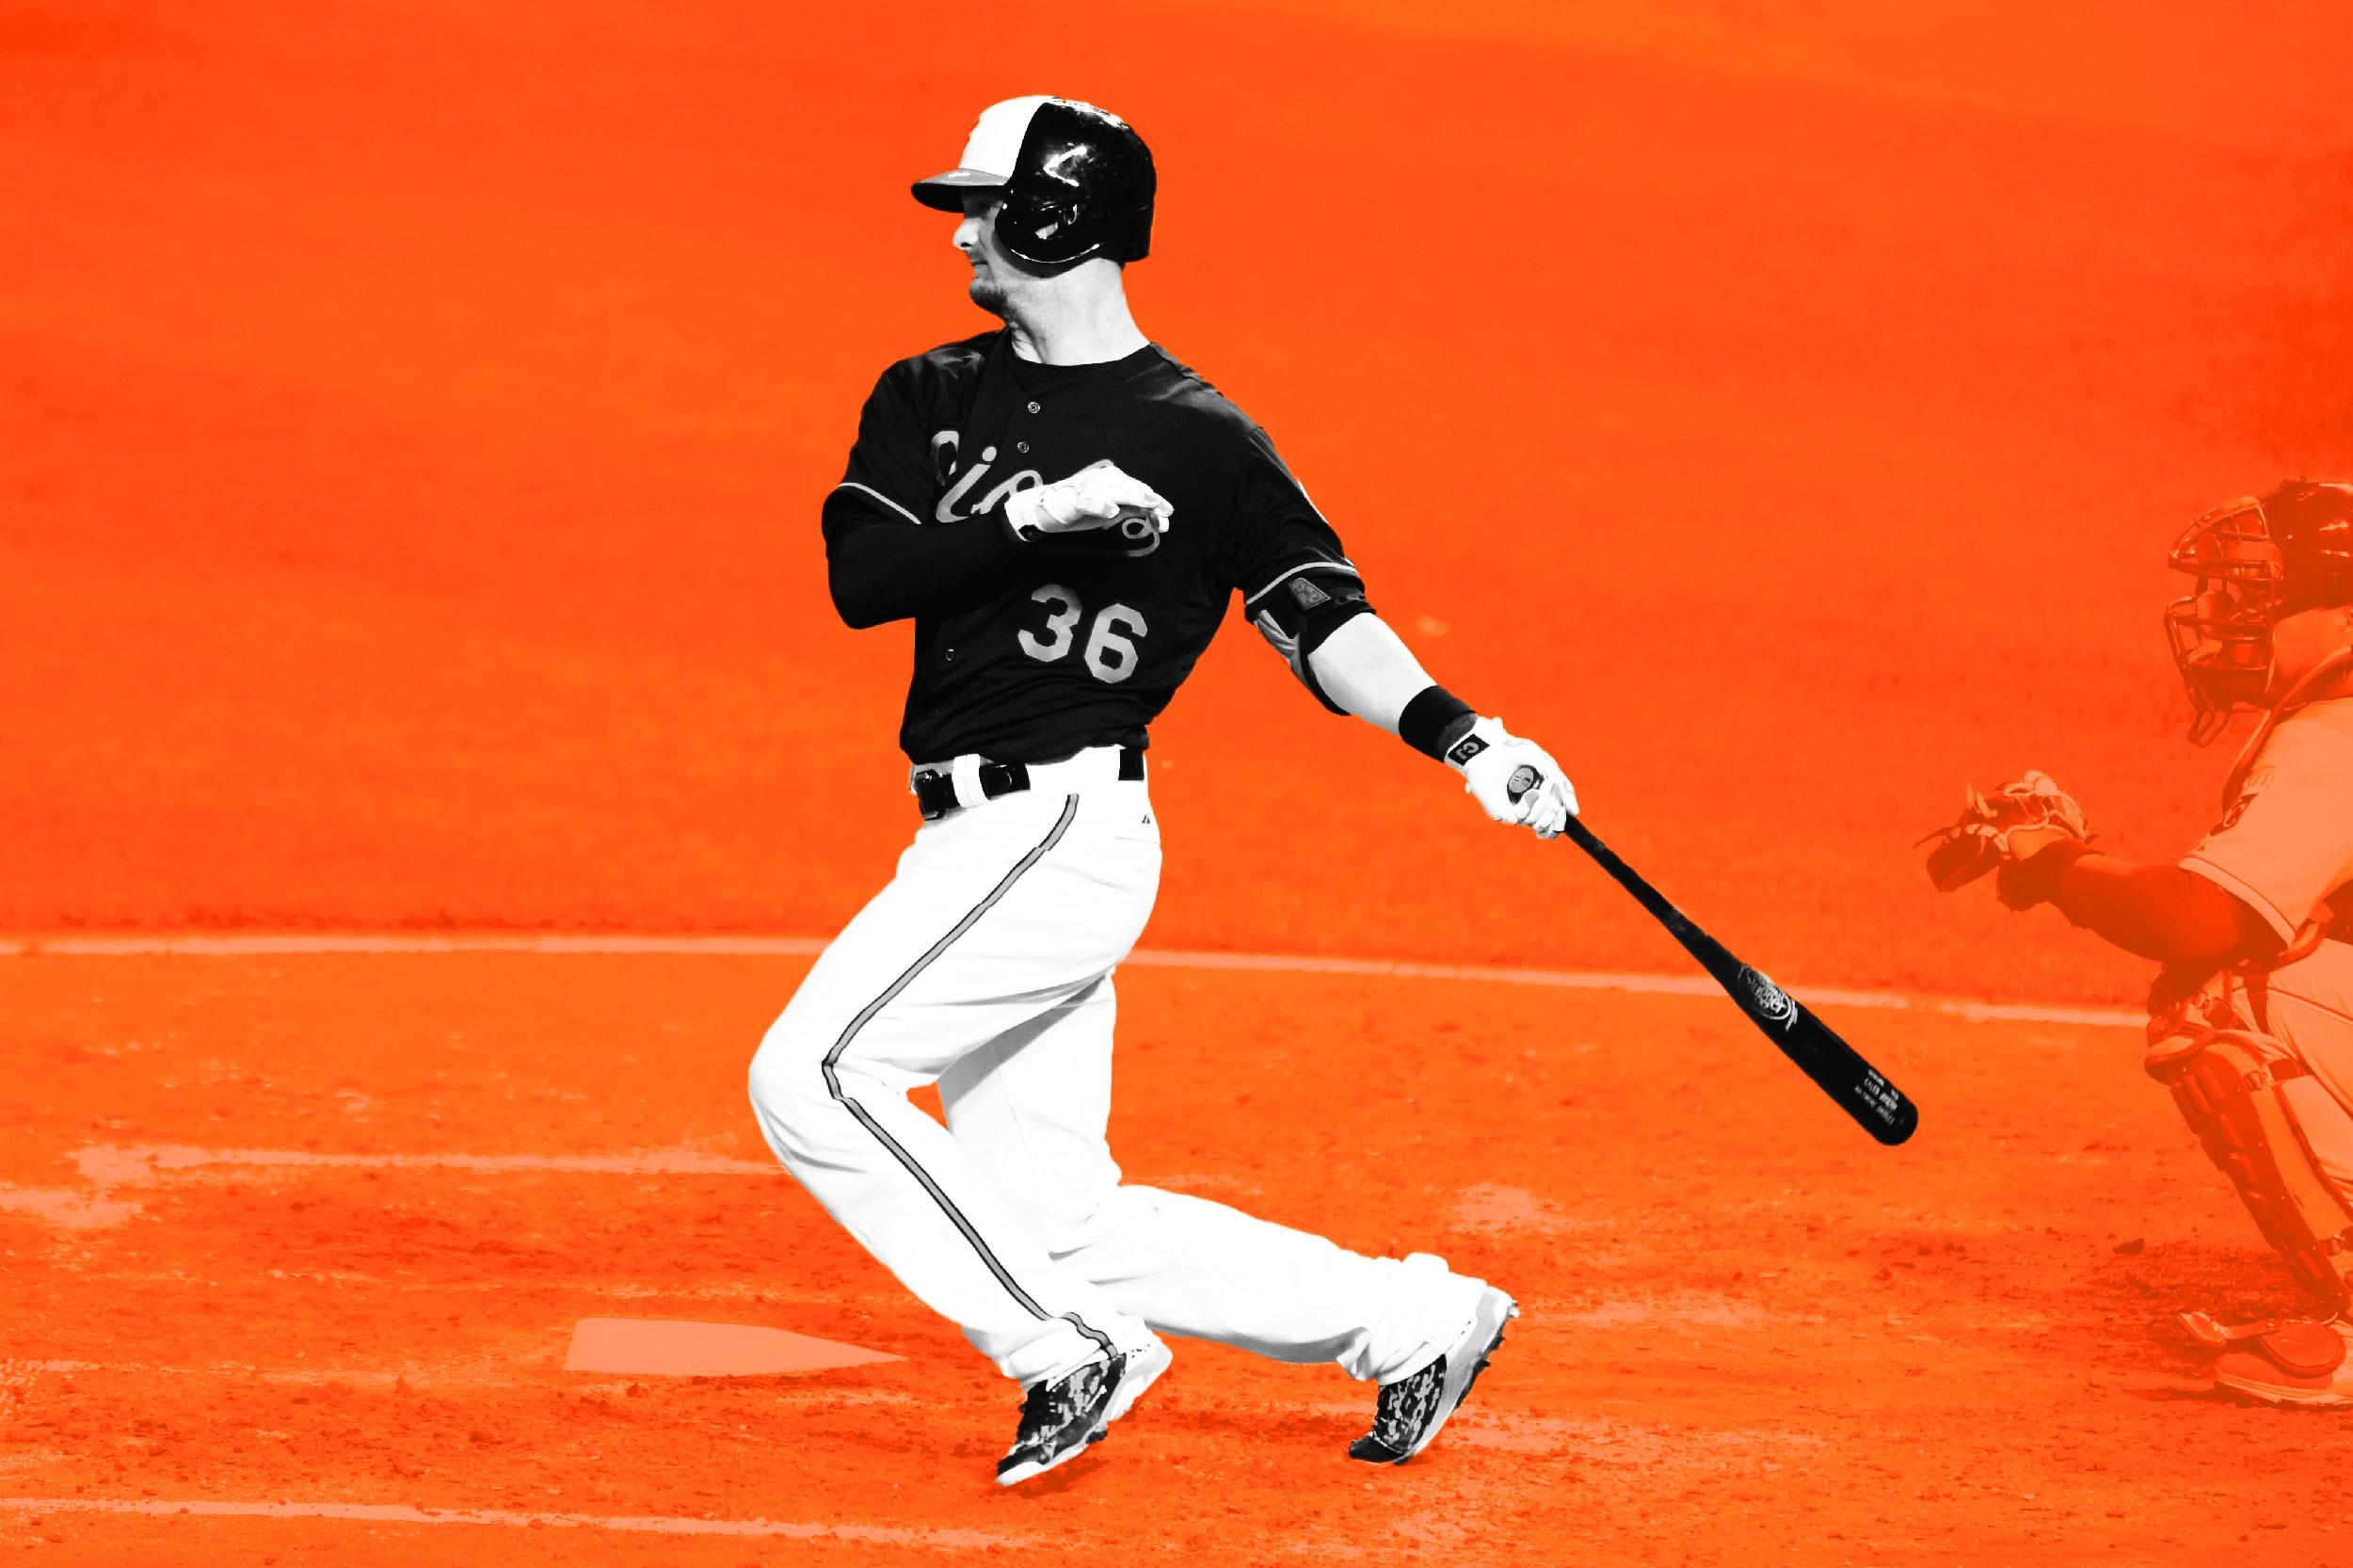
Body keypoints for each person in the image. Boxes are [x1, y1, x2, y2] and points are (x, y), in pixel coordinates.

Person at [744, 96, 1578, 1484]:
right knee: (1056, 1215)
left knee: (813, 1073)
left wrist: (1466, 737)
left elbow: (1320, 619)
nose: (960, 233)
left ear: (1052, 217)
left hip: (1062, 830)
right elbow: (862, 578)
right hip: (962, 838)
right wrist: (1031, 515)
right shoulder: (926, 394)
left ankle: (1067, 1346)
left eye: (983, 206)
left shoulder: (1202, 441)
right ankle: (1414, 1319)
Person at [1927, 480, 2353, 1405]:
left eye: (2258, 596)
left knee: (2223, 991)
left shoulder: (2339, 735)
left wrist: (2056, 864)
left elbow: (2193, 919)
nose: (2224, 617)